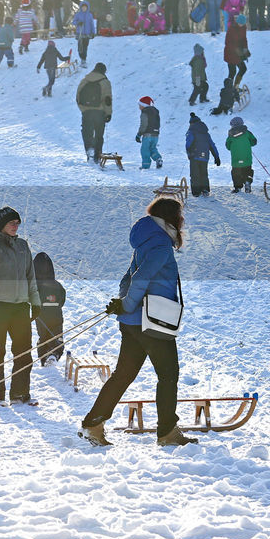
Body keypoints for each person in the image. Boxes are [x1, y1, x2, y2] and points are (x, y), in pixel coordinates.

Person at [79, 197, 195, 447]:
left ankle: (93, 424)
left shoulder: (146, 240)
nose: (183, 220)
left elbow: (128, 277)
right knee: (168, 375)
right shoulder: (161, 244)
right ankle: (167, 432)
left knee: (123, 375)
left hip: (133, 322)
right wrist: (127, 303)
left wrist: (123, 303)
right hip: (151, 322)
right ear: (172, 218)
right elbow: (140, 277)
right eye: (180, 216)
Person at [0, 206, 41, 406]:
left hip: (20, 307)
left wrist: (35, 301)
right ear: (2, 225)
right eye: (11, 223)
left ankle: (20, 393)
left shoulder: (23, 245)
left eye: (17, 223)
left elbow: (30, 275)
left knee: (23, 351)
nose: (16, 226)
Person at [33, 252, 66, 366]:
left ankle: (44, 356)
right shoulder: (57, 285)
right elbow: (62, 299)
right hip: (56, 313)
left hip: (41, 314)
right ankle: (55, 353)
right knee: (56, 333)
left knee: (43, 335)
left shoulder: (35, 285)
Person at [75, 63, 112, 163]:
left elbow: (78, 97)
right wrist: (108, 113)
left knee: (87, 132)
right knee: (99, 135)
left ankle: (89, 150)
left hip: (87, 112)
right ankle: (97, 156)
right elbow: (107, 99)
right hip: (100, 112)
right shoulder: (105, 82)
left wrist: (84, 109)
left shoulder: (84, 80)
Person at [184, 113, 220, 197]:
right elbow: (212, 145)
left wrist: (189, 153)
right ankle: (205, 190)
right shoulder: (206, 134)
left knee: (195, 174)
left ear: (191, 123)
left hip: (195, 156)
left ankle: (196, 192)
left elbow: (188, 144)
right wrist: (216, 157)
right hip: (205, 157)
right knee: (204, 173)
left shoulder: (191, 132)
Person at [225, 115, 256, 193]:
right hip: (246, 158)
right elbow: (254, 142)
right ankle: (248, 182)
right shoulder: (247, 133)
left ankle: (237, 187)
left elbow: (228, 146)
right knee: (248, 171)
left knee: (236, 173)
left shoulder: (230, 135)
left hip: (236, 159)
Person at [136, 96, 162, 170]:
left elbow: (143, 125)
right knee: (152, 148)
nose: (139, 107)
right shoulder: (155, 112)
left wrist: (139, 134)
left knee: (145, 150)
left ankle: (145, 165)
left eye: (139, 105)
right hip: (156, 135)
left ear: (143, 105)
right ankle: (158, 158)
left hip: (147, 135)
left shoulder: (145, 113)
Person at [224, 13, 249, 87]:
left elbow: (244, 39)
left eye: (243, 24)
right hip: (230, 54)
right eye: (240, 23)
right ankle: (228, 89)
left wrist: (245, 50)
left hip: (239, 54)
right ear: (237, 22)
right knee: (232, 72)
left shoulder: (243, 27)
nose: (241, 25)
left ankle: (235, 87)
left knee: (243, 69)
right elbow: (228, 42)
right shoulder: (232, 29)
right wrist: (237, 50)